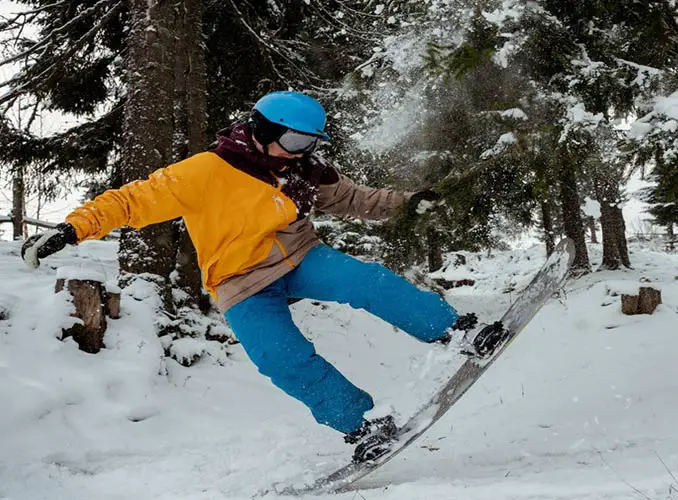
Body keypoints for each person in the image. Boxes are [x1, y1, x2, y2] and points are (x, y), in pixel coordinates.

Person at [20, 90, 507, 463]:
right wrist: (71, 229)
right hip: (240, 281)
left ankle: (458, 331)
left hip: (298, 255)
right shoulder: (206, 171)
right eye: (295, 140)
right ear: (261, 129)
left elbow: (352, 198)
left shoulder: (301, 170)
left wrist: (407, 203)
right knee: (279, 359)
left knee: (365, 281)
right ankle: (363, 426)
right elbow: (132, 200)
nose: (301, 152)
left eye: (311, 143)